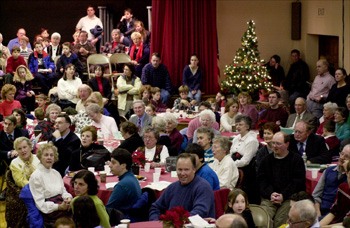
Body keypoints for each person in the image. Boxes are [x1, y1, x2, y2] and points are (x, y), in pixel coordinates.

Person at [258, 132, 306, 228]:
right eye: (273, 143)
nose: (275, 146)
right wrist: (271, 194)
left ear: (287, 144)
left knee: (280, 221)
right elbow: (261, 182)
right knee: (263, 219)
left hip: (289, 198)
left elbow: (297, 183)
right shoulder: (266, 160)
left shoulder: (296, 160)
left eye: (278, 144)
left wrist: (283, 195)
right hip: (269, 198)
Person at [149, 153, 215, 220]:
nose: (183, 173)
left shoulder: (203, 187)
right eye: (180, 170)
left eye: (186, 170)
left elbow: (199, 213)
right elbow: (155, 207)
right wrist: (155, 222)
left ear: (194, 170)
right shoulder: (172, 187)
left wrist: (177, 221)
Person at [29, 143, 73, 227]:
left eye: (51, 155)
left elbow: (63, 191)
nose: (49, 157)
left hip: (62, 204)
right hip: (50, 212)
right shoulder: (36, 176)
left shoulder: (56, 173)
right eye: (46, 155)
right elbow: (40, 204)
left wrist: (68, 198)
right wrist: (59, 207)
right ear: (40, 157)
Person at [312, 145, 349, 218]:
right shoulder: (328, 170)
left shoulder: (348, 177)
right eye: (341, 154)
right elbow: (316, 194)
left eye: (346, 157)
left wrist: (347, 172)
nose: (341, 158)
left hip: (336, 215)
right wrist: (317, 211)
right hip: (320, 210)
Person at [106, 148, 142, 217]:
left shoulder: (122, 185)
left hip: (121, 219)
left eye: (113, 163)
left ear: (123, 165)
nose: (110, 165)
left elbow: (108, 210)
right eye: (110, 162)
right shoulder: (132, 178)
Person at [320, 161, 350, 227]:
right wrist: (318, 226)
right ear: (347, 173)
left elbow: (347, 223)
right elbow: (333, 213)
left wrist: (325, 227)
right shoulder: (342, 188)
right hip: (334, 223)